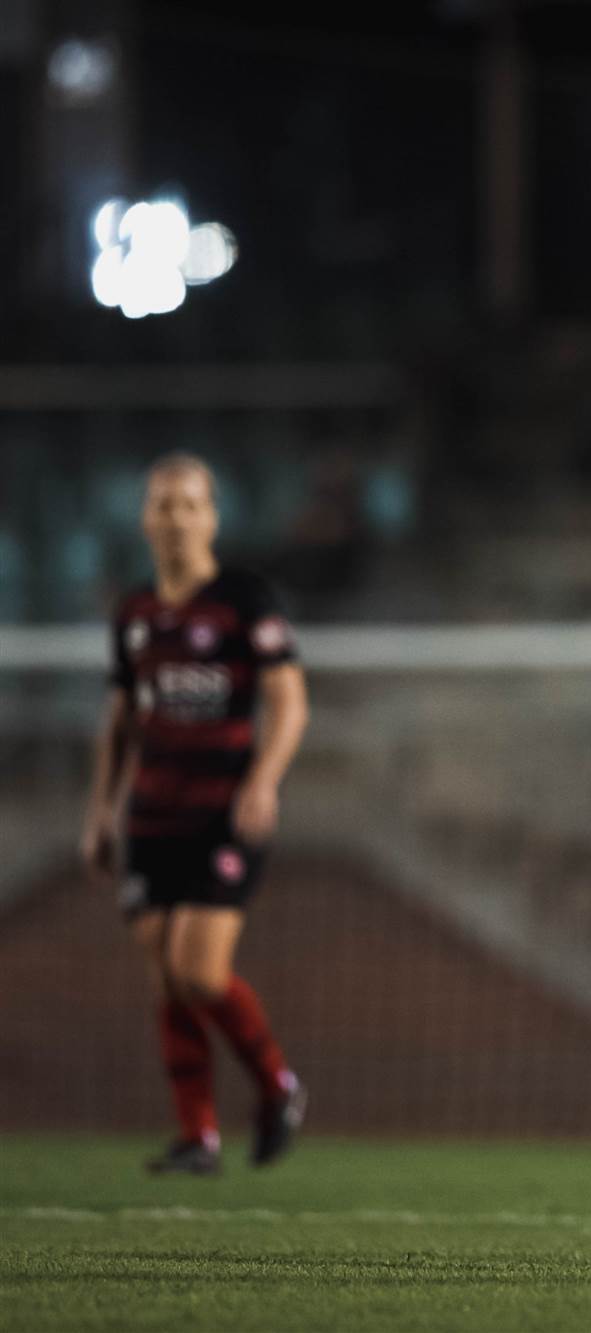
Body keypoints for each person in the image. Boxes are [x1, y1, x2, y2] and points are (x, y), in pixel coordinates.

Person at [79, 453, 310, 1175]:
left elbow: (289, 700)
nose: (176, 517)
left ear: (211, 515)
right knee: (166, 977)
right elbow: (120, 717)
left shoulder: (244, 597)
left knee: (200, 971)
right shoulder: (136, 612)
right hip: (150, 818)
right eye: (163, 504)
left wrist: (265, 780)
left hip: (224, 815)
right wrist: (99, 810)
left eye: (189, 503)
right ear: (145, 518)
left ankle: (278, 1086)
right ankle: (197, 1136)